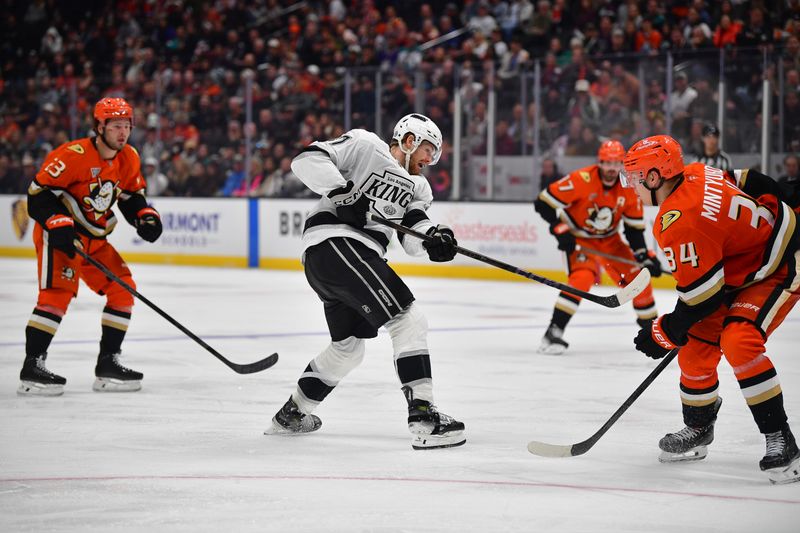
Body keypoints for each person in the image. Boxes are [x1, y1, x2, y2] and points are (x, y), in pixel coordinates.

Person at [265, 113, 465, 450]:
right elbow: (307, 160)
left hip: (336, 260)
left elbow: (412, 235)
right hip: (340, 245)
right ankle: (424, 419)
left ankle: (292, 414)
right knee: (408, 320)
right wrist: (343, 192)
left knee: (348, 348)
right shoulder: (365, 145)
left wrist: (435, 238)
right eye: (428, 148)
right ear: (409, 139)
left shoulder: (418, 187)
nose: (430, 159)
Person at [622, 134, 800, 484]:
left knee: (739, 340)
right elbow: (746, 177)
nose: (633, 187)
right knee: (695, 345)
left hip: (782, 261)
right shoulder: (697, 172)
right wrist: (784, 190)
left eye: (636, 178)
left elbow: (702, 298)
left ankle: (780, 437)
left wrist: (663, 333)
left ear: (656, 177)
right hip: (742, 268)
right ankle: (699, 427)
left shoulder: (678, 221)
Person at [19, 97, 163, 396]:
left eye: (127, 126)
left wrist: (144, 216)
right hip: (60, 235)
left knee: (123, 288)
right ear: (99, 127)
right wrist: (57, 223)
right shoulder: (72, 155)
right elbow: (37, 195)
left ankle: (108, 363)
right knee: (57, 295)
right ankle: (32, 366)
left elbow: (130, 196)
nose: (122, 133)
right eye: (115, 126)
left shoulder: (129, 157)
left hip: (94, 238)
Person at [533, 140, 662, 354]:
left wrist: (644, 255)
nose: (612, 169)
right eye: (607, 163)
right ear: (599, 163)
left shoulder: (630, 186)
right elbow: (543, 203)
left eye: (616, 163)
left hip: (610, 241)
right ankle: (553, 333)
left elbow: (633, 230)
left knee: (639, 279)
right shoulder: (581, 179)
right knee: (582, 279)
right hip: (580, 240)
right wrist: (560, 230)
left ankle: (655, 334)